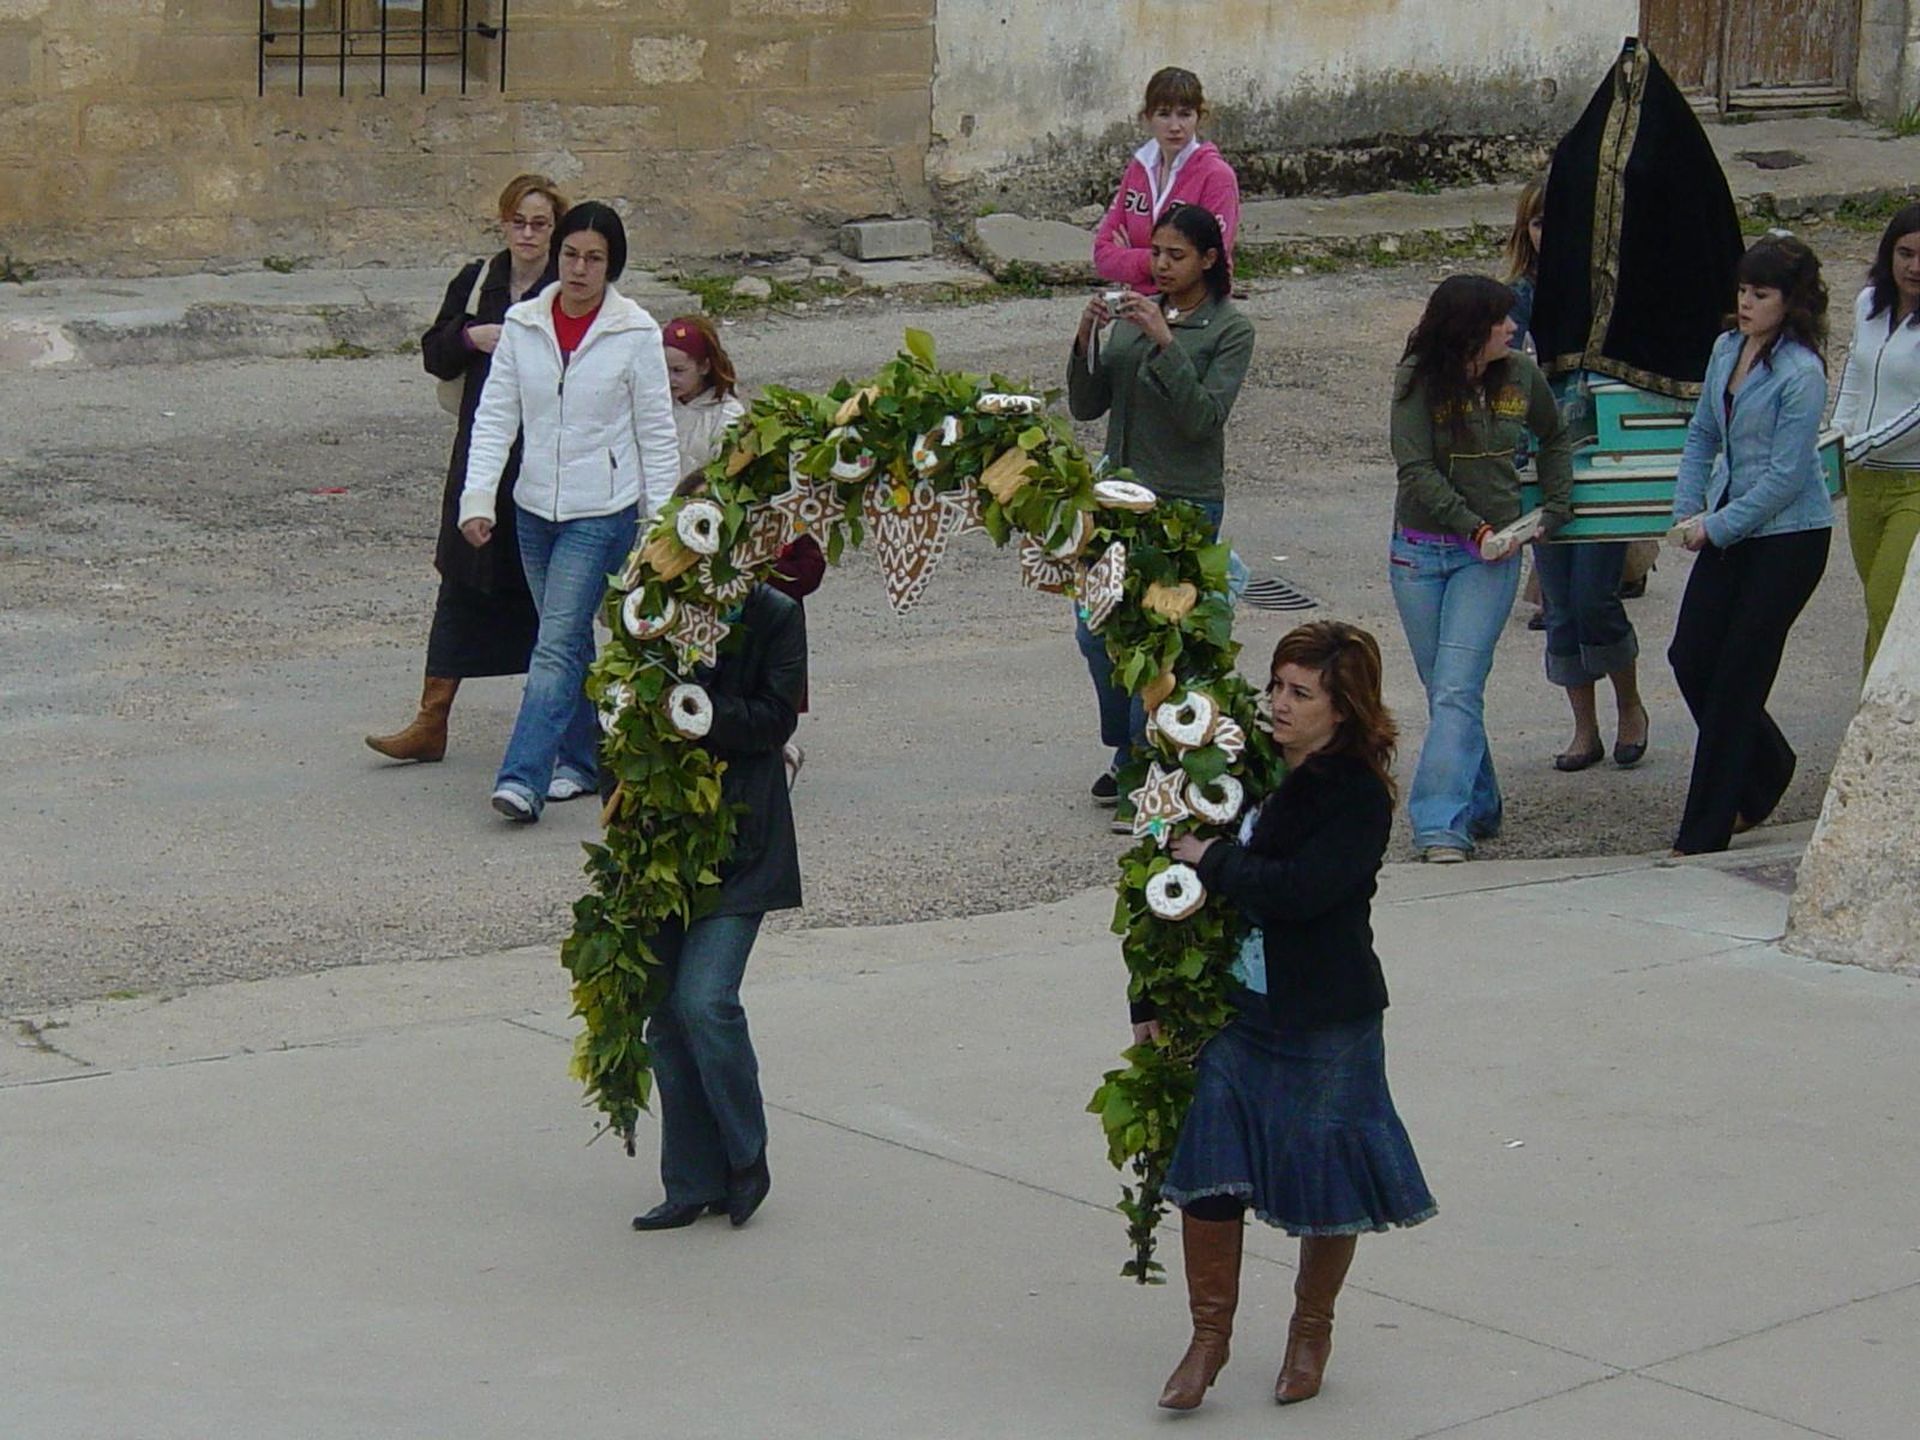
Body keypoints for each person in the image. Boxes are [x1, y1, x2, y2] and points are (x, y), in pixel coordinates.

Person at [1147, 621, 1435, 1411]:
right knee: (1209, 1172)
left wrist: (1216, 858)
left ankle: (1311, 1330)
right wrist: (1150, 998)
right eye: (1275, 685)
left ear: (1342, 709)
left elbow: (1303, 891)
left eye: (1299, 693)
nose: (1278, 703)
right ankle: (1208, 1342)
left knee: (1328, 1182)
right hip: (1238, 1014)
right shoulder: (1235, 761)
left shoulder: (1356, 795)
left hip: (1324, 1017)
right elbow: (1159, 887)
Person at [460, 201, 681, 823]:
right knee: (571, 639)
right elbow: (496, 416)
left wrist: (660, 526)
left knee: (554, 645)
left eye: (594, 259)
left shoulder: (635, 332)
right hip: (534, 510)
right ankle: (584, 762)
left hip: (601, 511)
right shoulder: (524, 323)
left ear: (612, 267)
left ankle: (522, 778)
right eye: (571, 254)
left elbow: (656, 435)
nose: (580, 269)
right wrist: (479, 499)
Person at [627, 553, 807, 1233]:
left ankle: (745, 1157)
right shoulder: (652, 610)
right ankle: (689, 1181)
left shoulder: (774, 615)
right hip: (663, 841)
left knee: (704, 1001)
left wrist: (701, 713)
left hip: (743, 842)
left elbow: (772, 720)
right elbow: (616, 699)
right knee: (665, 1018)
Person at [366, 173, 567, 763]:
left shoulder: (570, 285)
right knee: (461, 578)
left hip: (543, 456)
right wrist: (472, 336)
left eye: (540, 224)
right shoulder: (479, 280)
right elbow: (435, 352)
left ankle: (561, 730)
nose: (527, 234)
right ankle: (432, 720)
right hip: (480, 452)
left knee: (549, 594)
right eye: (518, 222)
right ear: (503, 223)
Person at [1070, 203, 1255, 819]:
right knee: (1095, 629)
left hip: (1184, 498)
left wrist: (1166, 341)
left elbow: (1204, 419)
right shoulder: (1138, 312)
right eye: (1156, 254)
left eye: (1176, 256)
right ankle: (1125, 742)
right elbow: (1087, 405)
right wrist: (1086, 338)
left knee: (1158, 635)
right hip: (1119, 494)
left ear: (1208, 259)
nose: (1162, 266)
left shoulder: (1229, 330)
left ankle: (1142, 760)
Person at [1390, 275, 1573, 862]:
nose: (1512, 329)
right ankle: (1480, 800)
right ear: (1469, 330)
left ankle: (1439, 824)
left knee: (1456, 688)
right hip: (1420, 551)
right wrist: (1473, 525)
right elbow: (1414, 467)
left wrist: (1556, 505)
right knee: (1447, 690)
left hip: (1491, 558)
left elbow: (1555, 436)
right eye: (1500, 321)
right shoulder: (1417, 378)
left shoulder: (1523, 375)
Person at [1667, 235, 1833, 855]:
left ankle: (1707, 826)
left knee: (1739, 674)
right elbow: (1703, 431)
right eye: (1742, 291)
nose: (1746, 303)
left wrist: (1719, 526)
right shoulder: (1725, 349)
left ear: (1789, 303)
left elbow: (1788, 477)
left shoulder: (1800, 372)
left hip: (1789, 538)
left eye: (1760, 294)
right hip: (1729, 523)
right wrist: (1689, 507)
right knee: (1691, 655)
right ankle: (1766, 767)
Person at [662, 314, 824, 786]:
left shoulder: (728, 419)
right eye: (663, 369)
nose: (669, 381)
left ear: (706, 367)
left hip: (709, 541)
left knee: (729, 650)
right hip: (666, 535)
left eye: (678, 371)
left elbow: (726, 485)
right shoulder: (655, 406)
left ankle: (774, 747)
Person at [1832, 203, 1920, 674]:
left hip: (1915, 485)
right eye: (1905, 253)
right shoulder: (1868, 304)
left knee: (1890, 602)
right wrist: (1835, 442)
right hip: (1864, 484)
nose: (1915, 267)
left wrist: (1858, 446)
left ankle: (1884, 724)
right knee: (1877, 605)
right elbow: (1853, 377)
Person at [1093, 67, 1240, 295]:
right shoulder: (1138, 170)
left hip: (1194, 310)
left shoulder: (1217, 177)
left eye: (1184, 114)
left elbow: (1208, 263)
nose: (1175, 127)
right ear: (1147, 118)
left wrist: (1133, 258)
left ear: (1199, 117)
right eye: (1164, 114)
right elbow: (1103, 255)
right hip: (1138, 306)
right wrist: (1167, 258)